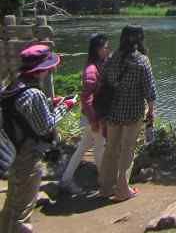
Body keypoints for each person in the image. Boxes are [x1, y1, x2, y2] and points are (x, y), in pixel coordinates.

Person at [0, 44, 77, 233]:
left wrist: (49, 103)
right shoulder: (34, 94)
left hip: (13, 149)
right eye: (48, 67)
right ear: (40, 70)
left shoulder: (14, 86)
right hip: (28, 153)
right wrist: (65, 106)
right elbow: (45, 126)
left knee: (13, 202)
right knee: (23, 209)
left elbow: (24, 112)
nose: (51, 69)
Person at [98, 25, 156, 202]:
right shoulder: (142, 60)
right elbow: (150, 90)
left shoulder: (112, 58)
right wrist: (152, 111)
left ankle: (105, 187)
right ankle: (122, 189)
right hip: (133, 110)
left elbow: (104, 80)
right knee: (127, 149)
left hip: (113, 111)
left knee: (111, 148)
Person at [60, 33, 110, 195]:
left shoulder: (98, 64)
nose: (108, 50)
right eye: (105, 47)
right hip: (92, 117)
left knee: (83, 147)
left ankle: (66, 180)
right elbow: (86, 97)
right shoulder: (91, 70)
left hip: (91, 116)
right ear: (98, 49)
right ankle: (104, 181)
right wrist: (94, 120)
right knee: (99, 146)